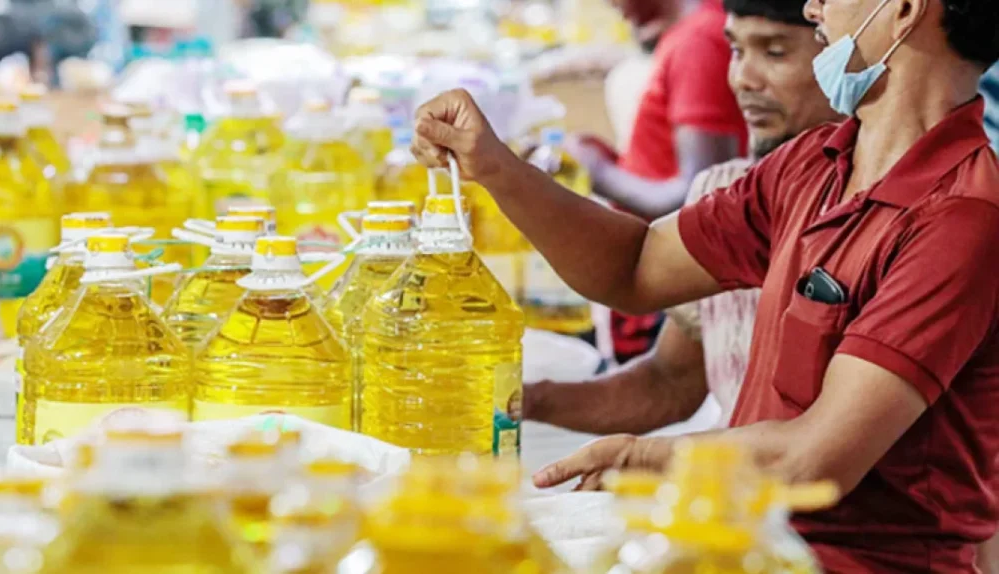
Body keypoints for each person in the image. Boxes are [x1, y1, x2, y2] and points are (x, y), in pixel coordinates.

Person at [409, 0, 999, 569]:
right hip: (743, 539)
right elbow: (636, 266)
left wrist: (648, 457)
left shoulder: (962, 217)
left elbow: (814, 461)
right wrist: (493, 166)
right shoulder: (811, 165)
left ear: (905, 9)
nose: (814, 8)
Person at [523, 0, 839, 434]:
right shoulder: (727, 193)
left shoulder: (879, 211)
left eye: (775, 52)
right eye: (736, 51)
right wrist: (521, 401)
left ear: (844, 52)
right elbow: (668, 383)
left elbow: (816, 451)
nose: (742, 79)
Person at [576, 0, 750, 365]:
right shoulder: (687, 34)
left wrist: (598, 173)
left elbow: (701, 196)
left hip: (668, 285)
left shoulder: (698, 40)